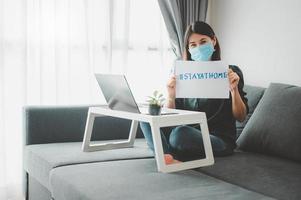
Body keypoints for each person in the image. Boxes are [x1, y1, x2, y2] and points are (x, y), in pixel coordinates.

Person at [140, 21, 249, 164]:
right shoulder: (183, 73)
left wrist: (234, 90)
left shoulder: (231, 71)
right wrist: (171, 95)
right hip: (185, 131)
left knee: (180, 134)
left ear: (213, 41)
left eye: (203, 42)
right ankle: (166, 157)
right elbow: (170, 114)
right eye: (193, 45)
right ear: (189, 49)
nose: (199, 48)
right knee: (146, 118)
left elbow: (241, 117)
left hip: (218, 139)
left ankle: (168, 150)